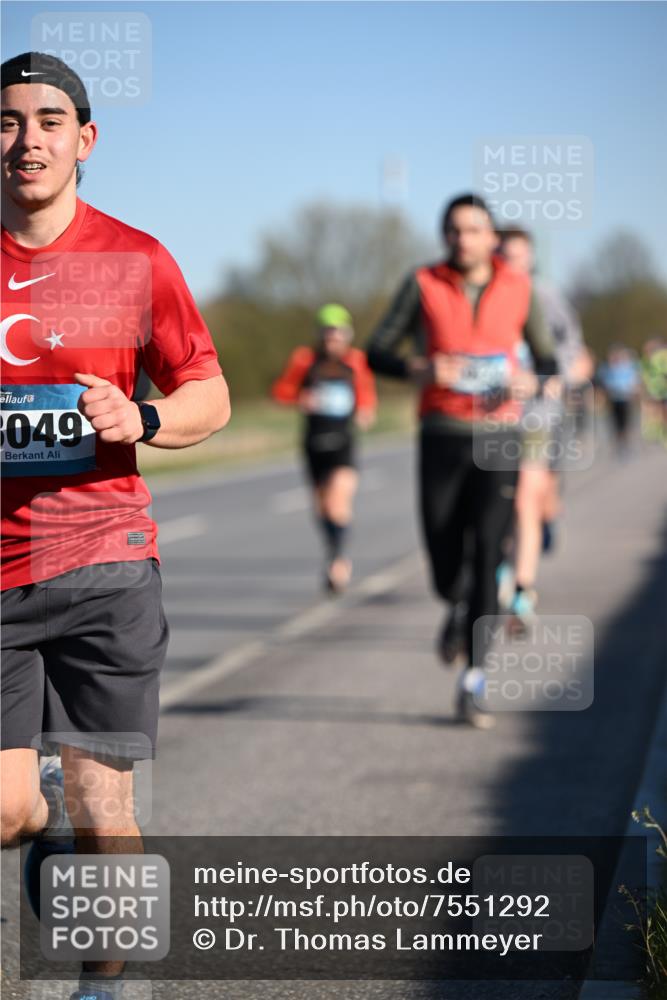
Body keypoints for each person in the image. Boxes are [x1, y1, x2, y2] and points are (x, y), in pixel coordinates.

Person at [0, 52, 230, 1000]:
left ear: (84, 140)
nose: (27, 141)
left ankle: (107, 984)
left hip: (106, 557)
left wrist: (138, 418)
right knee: (13, 807)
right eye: (8, 122)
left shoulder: (135, 259)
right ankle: (35, 808)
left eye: (49, 122)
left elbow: (208, 394)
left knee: (105, 803)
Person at [366, 194, 557, 728]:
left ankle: (475, 679)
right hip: (442, 433)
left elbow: (546, 358)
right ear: (444, 235)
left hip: (500, 435)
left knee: (489, 549)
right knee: (446, 557)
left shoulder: (519, 288)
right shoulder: (422, 282)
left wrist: (529, 379)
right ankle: (453, 605)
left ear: (491, 237)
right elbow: (377, 350)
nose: (462, 239)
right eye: (453, 230)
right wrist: (421, 369)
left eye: (473, 230)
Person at [498, 227, 592, 628]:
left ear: (531, 258)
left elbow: (577, 352)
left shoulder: (546, 295)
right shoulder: (486, 296)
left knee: (532, 502)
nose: (514, 263)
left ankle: (520, 584)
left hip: (540, 416)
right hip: (495, 417)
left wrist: (556, 375)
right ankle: (519, 582)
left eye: (521, 256)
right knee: (508, 502)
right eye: (506, 255)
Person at [272, 304, 376, 593]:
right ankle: (333, 550)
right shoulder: (305, 360)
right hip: (314, 441)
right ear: (320, 334)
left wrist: (366, 410)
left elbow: (366, 392)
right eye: (328, 333)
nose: (333, 339)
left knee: (337, 500)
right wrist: (300, 397)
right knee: (321, 509)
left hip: (344, 440)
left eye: (338, 334)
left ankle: (339, 562)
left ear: (347, 335)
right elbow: (281, 391)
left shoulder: (355, 361)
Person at [596, 345, 641, 454]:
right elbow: (601, 382)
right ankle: (618, 443)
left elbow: (634, 380)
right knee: (615, 422)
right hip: (613, 399)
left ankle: (625, 442)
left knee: (625, 421)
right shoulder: (605, 368)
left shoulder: (626, 367)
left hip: (625, 398)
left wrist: (635, 390)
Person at [639, 337, 667, 444]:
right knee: (658, 412)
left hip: (662, 389)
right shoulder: (646, 361)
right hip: (656, 390)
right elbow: (646, 374)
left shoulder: (661, 356)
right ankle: (659, 432)